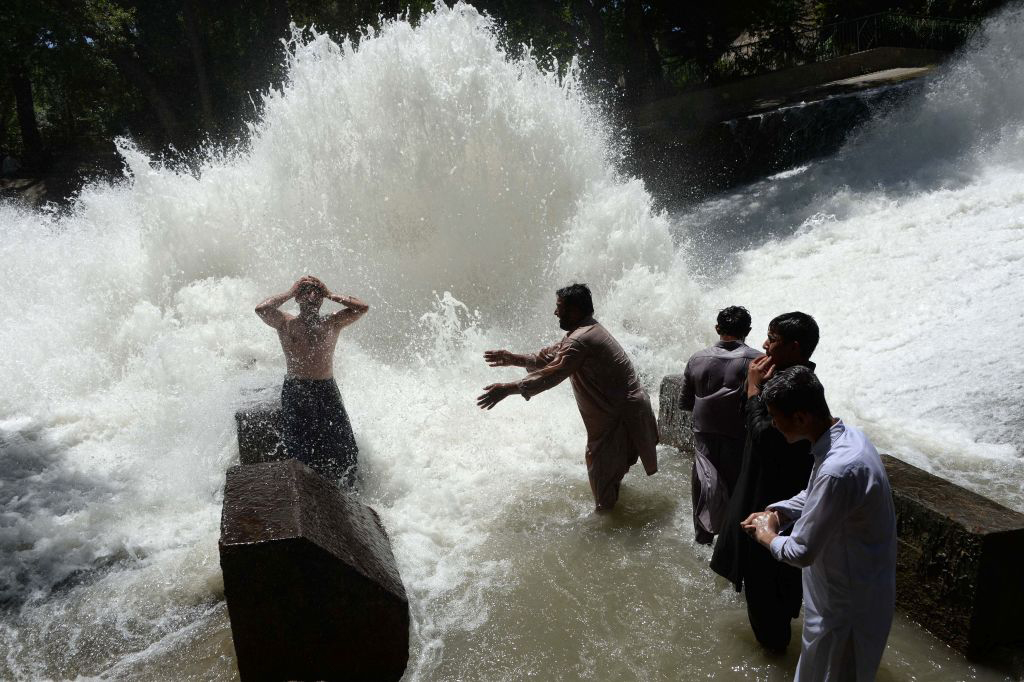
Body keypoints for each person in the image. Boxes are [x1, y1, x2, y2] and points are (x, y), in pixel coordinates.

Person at [743, 366, 896, 681]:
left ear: (800, 417)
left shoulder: (838, 468)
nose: (772, 423)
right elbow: (814, 493)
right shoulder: (847, 438)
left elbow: (801, 551)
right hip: (845, 595)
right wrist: (780, 512)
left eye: (775, 415)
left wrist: (766, 535)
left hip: (844, 610)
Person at [476, 283, 658, 511]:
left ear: (574, 311)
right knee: (610, 476)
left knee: (603, 494)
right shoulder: (586, 330)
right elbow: (550, 358)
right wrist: (514, 358)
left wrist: (507, 389)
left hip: (619, 418)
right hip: (624, 412)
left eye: (559, 307)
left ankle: (606, 535)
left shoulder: (579, 340)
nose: (555, 312)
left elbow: (552, 374)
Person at [710, 311, 819, 652]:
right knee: (774, 585)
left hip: (774, 498)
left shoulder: (796, 386)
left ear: (795, 348)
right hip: (766, 490)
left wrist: (754, 388)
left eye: (772, 340)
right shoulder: (788, 377)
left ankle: (775, 653)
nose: (764, 345)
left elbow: (765, 438)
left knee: (767, 585)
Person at [255, 275, 369, 486]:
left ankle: (350, 493)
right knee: (299, 449)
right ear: (298, 298)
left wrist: (330, 293)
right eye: (306, 291)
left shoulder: (332, 322)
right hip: (296, 389)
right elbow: (261, 309)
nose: (312, 295)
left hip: (326, 389)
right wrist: (289, 292)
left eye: (316, 291)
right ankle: (304, 493)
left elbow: (362, 308)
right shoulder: (285, 323)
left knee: (345, 447)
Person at [680, 306, 763, 545]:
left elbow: (685, 402)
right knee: (738, 494)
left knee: (704, 491)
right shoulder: (757, 361)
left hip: (704, 438)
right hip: (739, 439)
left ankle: (702, 542)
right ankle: (732, 546)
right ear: (748, 330)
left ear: (717, 329)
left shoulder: (697, 358)